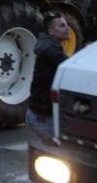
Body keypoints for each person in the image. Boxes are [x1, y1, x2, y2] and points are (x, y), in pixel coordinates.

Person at [27, 12, 70, 140]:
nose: (67, 28)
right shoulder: (50, 51)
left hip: (40, 114)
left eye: (66, 24)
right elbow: (70, 66)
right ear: (51, 31)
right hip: (44, 118)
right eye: (62, 26)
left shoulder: (49, 46)